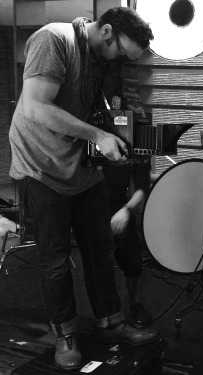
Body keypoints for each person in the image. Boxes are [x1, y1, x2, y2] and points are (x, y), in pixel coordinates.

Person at [9, 7, 159, 371]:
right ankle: (65, 335)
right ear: (106, 31)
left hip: (79, 167)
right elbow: (35, 107)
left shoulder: (99, 57)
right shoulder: (53, 40)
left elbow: (90, 109)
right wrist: (98, 136)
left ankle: (111, 322)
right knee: (56, 260)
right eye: (123, 54)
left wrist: (120, 138)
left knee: (100, 247)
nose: (122, 62)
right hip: (41, 167)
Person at [103, 159, 153, 326]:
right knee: (99, 264)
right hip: (91, 204)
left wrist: (127, 209)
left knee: (133, 261)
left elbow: (142, 187)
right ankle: (106, 313)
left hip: (120, 205)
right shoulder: (96, 137)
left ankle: (135, 303)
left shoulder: (138, 148)